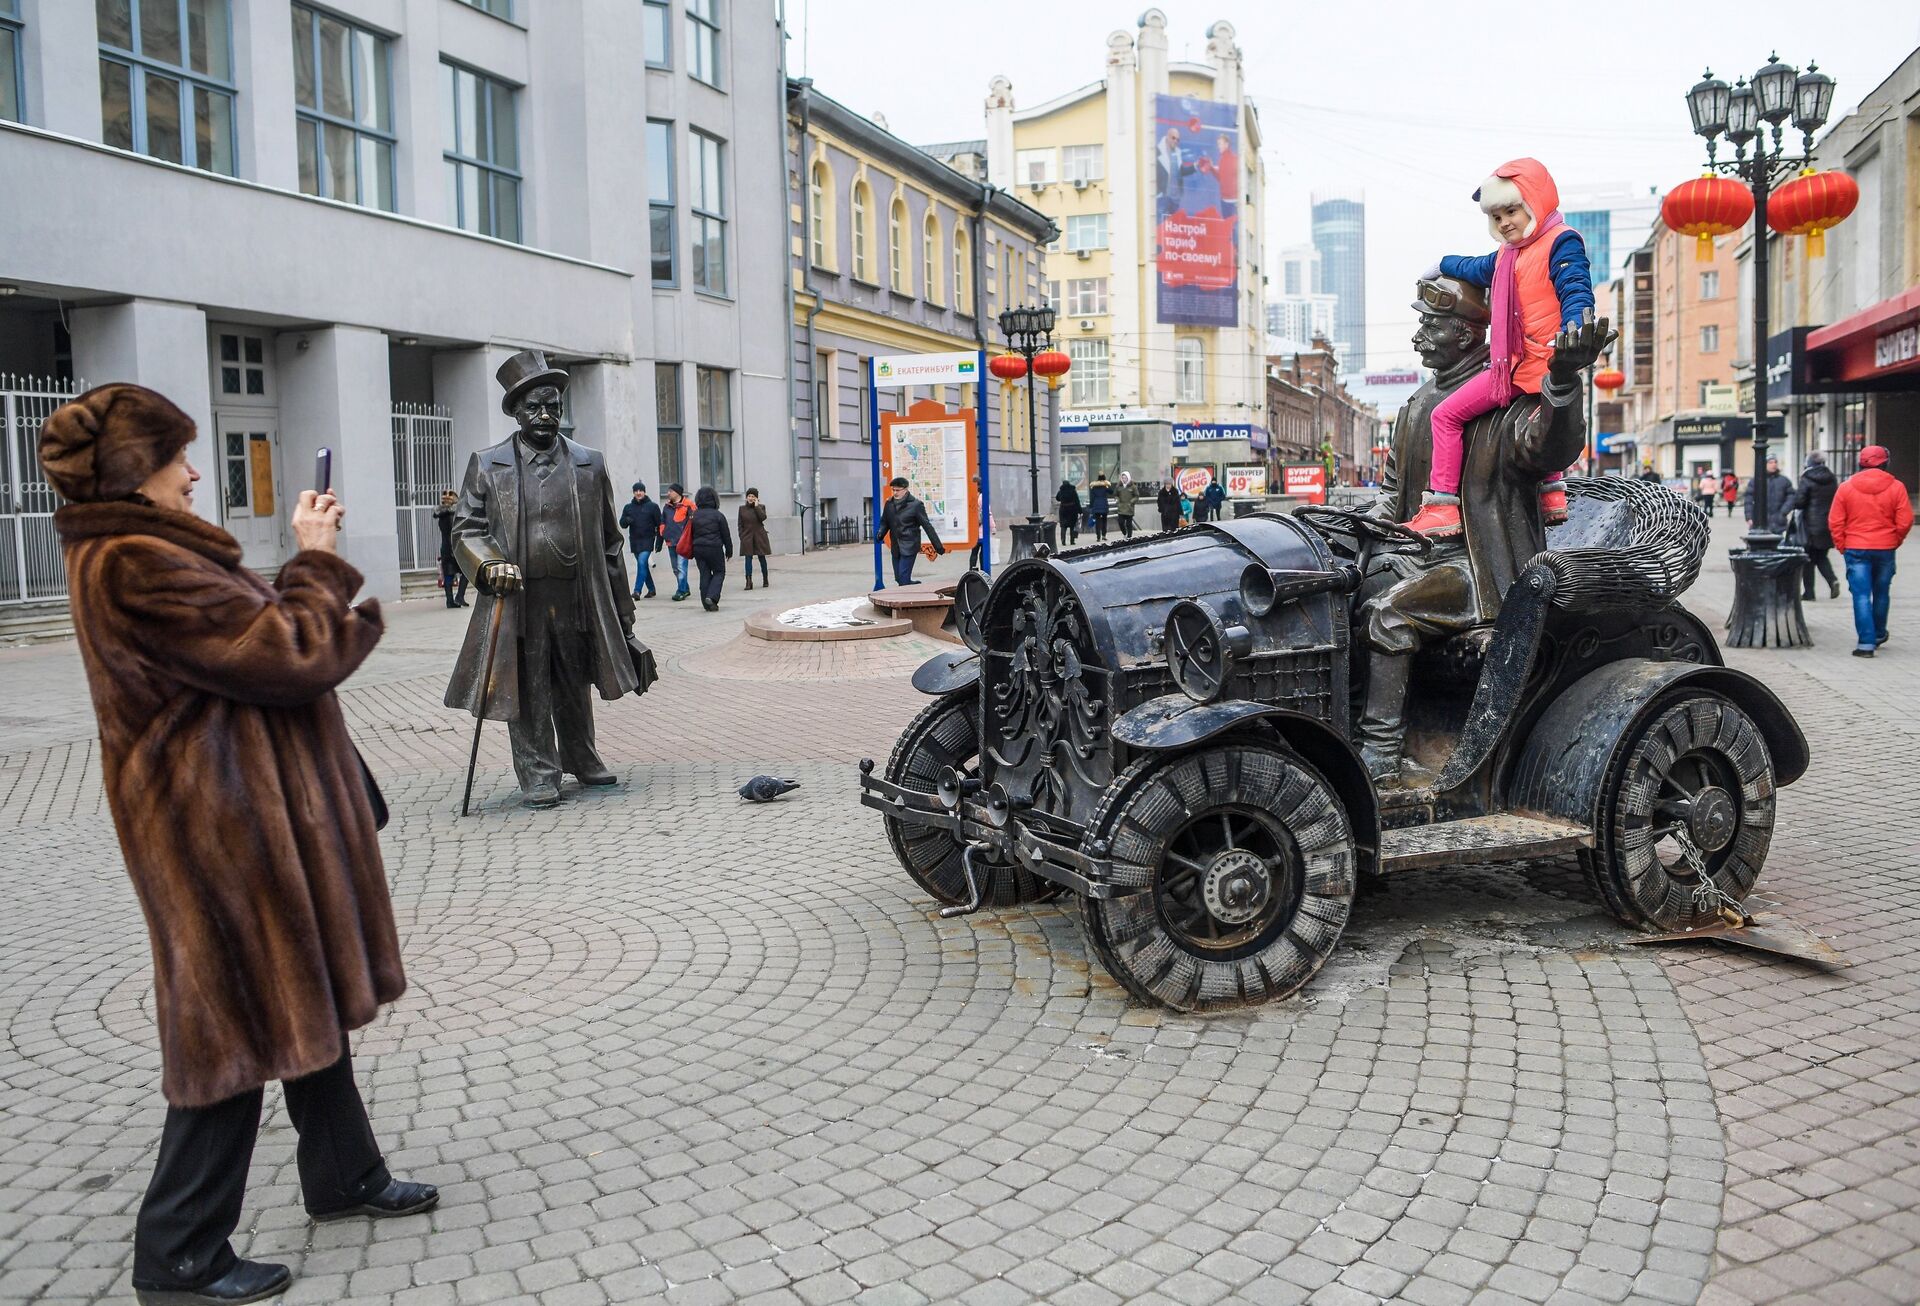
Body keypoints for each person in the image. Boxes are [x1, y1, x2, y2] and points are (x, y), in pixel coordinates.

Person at [39, 383, 435, 1306]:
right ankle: (178, 1253)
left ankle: (346, 1176)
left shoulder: (155, 548)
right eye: (176, 456)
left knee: (304, 989)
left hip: (245, 820)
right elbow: (289, 651)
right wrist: (319, 561)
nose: (192, 471)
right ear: (134, 472)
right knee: (230, 1021)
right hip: (214, 830)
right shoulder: (134, 562)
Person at [445, 350, 642, 809]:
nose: (545, 415)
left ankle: (581, 754)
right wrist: (487, 565)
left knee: (574, 676)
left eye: (553, 405)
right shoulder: (488, 464)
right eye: (534, 406)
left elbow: (610, 541)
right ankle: (538, 771)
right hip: (519, 596)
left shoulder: (589, 463)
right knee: (530, 681)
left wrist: (624, 613)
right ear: (515, 411)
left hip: (576, 591)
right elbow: (466, 529)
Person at [1406, 158, 1594, 537]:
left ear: (1535, 204)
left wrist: (1575, 327)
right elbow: (1476, 268)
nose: (1506, 221)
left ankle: (1442, 506)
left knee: (1445, 416)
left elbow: (1575, 286)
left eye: (1512, 210)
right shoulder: (1507, 256)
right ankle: (1552, 495)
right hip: (1523, 364)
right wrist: (1443, 263)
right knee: (1533, 414)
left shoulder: (1561, 242)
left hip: (1538, 362)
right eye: (1497, 215)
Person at [1829, 445, 1912, 657]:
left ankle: (1866, 643)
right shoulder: (1896, 487)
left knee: (1861, 595)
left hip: (1856, 547)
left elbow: (1835, 521)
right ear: (1885, 463)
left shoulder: (1846, 488)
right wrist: (1894, 540)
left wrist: (1842, 545)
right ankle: (1878, 633)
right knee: (1882, 592)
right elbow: (1905, 521)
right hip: (1885, 547)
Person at [1790, 452, 1841, 600]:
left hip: (1810, 526)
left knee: (1808, 559)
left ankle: (1809, 592)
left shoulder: (1807, 479)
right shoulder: (1831, 479)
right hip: (1827, 524)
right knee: (1821, 557)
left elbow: (1799, 501)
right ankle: (1832, 580)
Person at [878, 475, 945, 586]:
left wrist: (938, 547)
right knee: (899, 578)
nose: (895, 493)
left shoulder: (916, 505)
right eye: (893, 490)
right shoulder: (889, 504)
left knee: (903, 579)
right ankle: (911, 585)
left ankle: (906, 599)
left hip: (909, 546)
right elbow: (885, 522)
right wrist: (880, 533)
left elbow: (927, 526)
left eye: (897, 490)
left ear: (905, 489)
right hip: (896, 547)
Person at [688, 486, 734, 610]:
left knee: (704, 574)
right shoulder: (718, 515)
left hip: (698, 548)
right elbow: (726, 535)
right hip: (714, 548)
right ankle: (712, 597)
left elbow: (690, 534)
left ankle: (707, 604)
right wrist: (729, 550)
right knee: (719, 572)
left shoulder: (694, 515)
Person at [618, 480, 662, 599]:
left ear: (644, 492)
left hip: (648, 539)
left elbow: (660, 524)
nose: (638, 493)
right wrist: (626, 520)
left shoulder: (652, 506)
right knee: (643, 566)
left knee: (642, 562)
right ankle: (652, 589)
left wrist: (659, 541)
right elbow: (622, 524)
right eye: (636, 491)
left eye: (641, 490)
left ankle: (637, 591)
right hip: (635, 541)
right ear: (633, 493)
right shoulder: (628, 507)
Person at [433, 488, 468, 608]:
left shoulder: (441, 514)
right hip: (455, 547)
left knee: (448, 574)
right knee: (466, 572)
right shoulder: (455, 514)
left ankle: (450, 600)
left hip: (446, 547)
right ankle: (459, 597)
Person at [660, 484, 693, 600]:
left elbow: (693, 523)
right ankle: (685, 588)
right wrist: (662, 534)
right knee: (675, 568)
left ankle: (681, 591)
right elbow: (662, 522)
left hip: (683, 542)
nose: (668, 493)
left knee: (681, 567)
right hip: (670, 541)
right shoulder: (667, 507)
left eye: (670, 491)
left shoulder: (688, 505)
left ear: (677, 492)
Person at [1745, 456, 1794, 534]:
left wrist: (1783, 512)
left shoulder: (1784, 481)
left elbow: (1791, 497)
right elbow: (1748, 500)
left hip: (1778, 522)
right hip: (1759, 522)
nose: (1773, 464)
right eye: (1770, 462)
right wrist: (1749, 517)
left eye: (1775, 462)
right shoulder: (1756, 481)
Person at [737, 487, 771, 590]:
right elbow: (740, 524)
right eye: (749, 496)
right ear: (746, 497)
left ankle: (765, 579)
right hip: (747, 536)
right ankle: (748, 581)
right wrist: (741, 536)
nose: (750, 498)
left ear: (756, 498)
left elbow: (763, 518)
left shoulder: (761, 507)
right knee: (748, 558)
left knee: (762, 557)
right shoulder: (742, 509)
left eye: (753, 496)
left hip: (759, 536)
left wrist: (756, 506)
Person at [1055, 478, 1082, 545]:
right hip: (1072, 509)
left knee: (1063, 526)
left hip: (1063, 509)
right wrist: (1080, 510)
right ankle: (1072, 541)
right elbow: (1077, 501)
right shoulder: (1073, 490)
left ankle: (1063, 541)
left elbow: (1057, 498)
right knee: (1072, 526)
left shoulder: (1061, 491)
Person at [1115, 472, 1140, 539]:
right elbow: (1116, 495)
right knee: (1120, 522)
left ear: (1128, 478)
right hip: (1121, 507)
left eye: (1125, 478)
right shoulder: (1119, 486)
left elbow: (1136, 496)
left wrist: (1131, 502)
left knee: (1129, 524)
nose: (1124, 479)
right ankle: (1124, 533)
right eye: (1123, 478)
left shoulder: (1133, 487)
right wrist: (1117, 500)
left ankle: (1129, 536)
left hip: (1129, 508)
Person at [1088, 473, 1112, 542]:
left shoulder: (1094, 487)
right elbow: (1111, 492)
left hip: (1096, 506)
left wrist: (1091, 506)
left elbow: (1092, 498)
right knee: (1104, 521)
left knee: (1097, 521)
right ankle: (1104, 535)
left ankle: (1098, 536)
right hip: (1104, 505)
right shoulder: (1105, 486)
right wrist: (1107, 485)